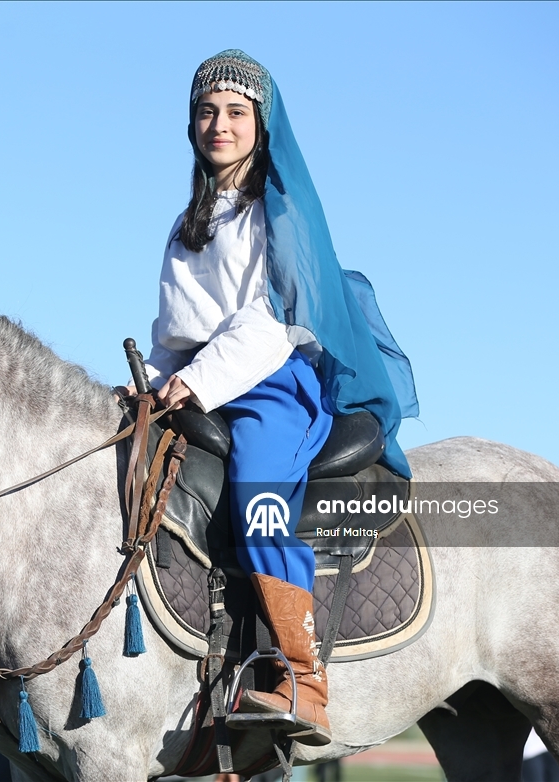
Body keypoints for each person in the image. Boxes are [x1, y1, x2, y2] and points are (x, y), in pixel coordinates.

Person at [136, 50, 415, 746]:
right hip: (203, 382)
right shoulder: (184, 224)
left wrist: (198, 379)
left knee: (260, 502)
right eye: (206, 112)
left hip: (272, 380)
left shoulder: (277, 213)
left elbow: (267, 320)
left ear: (261, 125)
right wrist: (150, 382)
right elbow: (173, 332)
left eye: (235, 112)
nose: (218, 125)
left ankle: (303, 677)